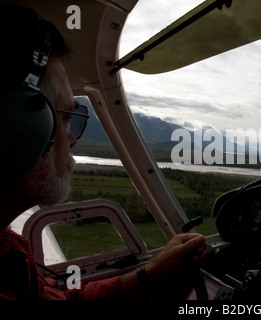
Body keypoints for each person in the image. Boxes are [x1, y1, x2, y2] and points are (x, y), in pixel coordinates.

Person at [0, 3, 206, 300]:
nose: (72, 140)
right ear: (17, 129)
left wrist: (147, 275)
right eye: (66, 117)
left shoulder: (6, 251)